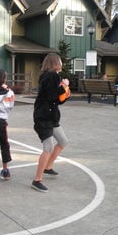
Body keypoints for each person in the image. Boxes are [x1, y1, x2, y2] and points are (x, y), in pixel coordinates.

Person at [32, 53, 69, 193]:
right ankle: (37, 180)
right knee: (48, 147)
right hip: (44, 117)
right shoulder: (51, 75)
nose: (62, 63)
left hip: (50, 117)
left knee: (63, 141)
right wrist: (64, 85)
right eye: (60, 61)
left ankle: (47, 167)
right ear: (55, 62)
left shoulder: (50, 75)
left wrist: (65, 91)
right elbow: (53, 95)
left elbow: (58, 100)